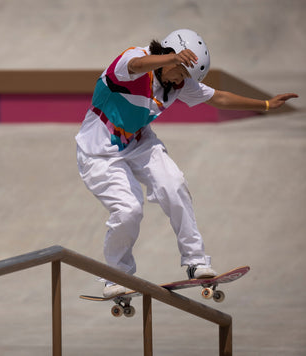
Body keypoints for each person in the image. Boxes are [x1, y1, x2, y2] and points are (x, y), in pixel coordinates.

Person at [75, 29, 298, 298]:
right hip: (98, 152)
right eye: (180, 71)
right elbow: (136, 66)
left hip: (138, 142)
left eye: (185, 77)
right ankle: (116, 275)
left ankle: (195, 262)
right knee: (129, 209)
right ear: (169, 57)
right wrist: (168, 59)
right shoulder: (133, 59)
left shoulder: (178, 83)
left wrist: (265, 104)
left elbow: (219, 98)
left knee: (174, 184)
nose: (181, 81)